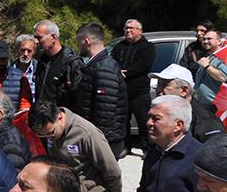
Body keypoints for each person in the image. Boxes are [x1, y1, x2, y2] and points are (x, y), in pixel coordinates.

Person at [72, 23, 128, 158]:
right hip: (97, 138)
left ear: (86, 41)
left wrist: (95, 141)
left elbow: (105, 112)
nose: (78, 46)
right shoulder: (95, 64)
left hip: (104, 141)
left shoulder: (104, 67)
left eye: (79, 42)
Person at [112, 19, 156, 156]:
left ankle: (147, 148)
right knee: (123, 121)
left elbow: (144, 65)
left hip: (139, 91)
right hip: (122, 90)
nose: (128, 30)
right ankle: (126, 146)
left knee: (144, 121)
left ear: (140, 31)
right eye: (126, 28)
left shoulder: (147, 47)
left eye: (131, 28)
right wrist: (117, 71)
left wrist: (127, 72)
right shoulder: (119, 46)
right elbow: (111, 61)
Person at [150, 63, 225, 143]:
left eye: (164, 85)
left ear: (184, 91)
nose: (158, 90)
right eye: (158, 84)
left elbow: (215, 152)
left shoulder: (206, 121)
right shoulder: (162, 114)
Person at [32, 20, 81, 108]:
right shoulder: (42, 61)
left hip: (60, 118)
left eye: (39, 37)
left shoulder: (71, 62)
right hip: (41, 116)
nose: (35, 41)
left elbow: (77, 97)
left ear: (53, 38)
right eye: (35, 37)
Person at [193, 30, 227, 105]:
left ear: (219, 41)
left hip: (214, 107)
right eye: (204, 39)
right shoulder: (209, 57)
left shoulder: (222, 57)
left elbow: (223, 77)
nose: (205, 41)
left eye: (209, 39)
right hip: (201, 104)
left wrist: (207, 66)